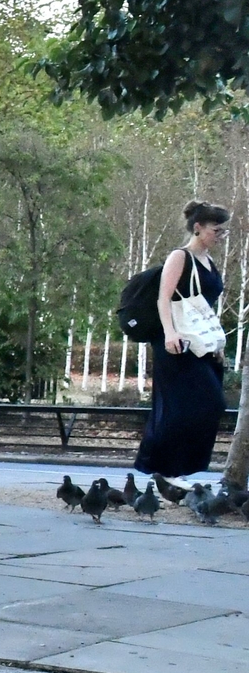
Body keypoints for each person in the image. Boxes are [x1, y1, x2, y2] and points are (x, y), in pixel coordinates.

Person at [136, 201, 229, 479]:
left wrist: (216, 342)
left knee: (211, 405)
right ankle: (163, 469)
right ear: (198, 228)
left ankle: (180, 469)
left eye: (223, 231)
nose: (220, 236)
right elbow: (164, 298)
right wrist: (169, 333)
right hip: (177, 344)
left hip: (201, 344)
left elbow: (204, 308)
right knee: (179, 406)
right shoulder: (181, 257)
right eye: (216, 230)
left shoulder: (208, 261)